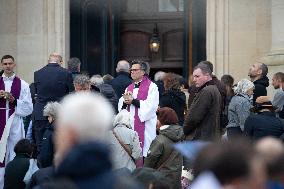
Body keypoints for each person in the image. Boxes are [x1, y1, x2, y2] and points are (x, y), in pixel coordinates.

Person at [0, 55, 33, 188]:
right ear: (2, 65)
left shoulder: (23, 84)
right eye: (5, 64)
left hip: (14, 121)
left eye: (10, 63)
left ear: (14, 65)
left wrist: (13, 100)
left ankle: (13, 184)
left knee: (13, 152)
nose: (8, 66)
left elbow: (29, 108)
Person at [33, 53, 73, 153]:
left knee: (40, 145)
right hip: (59, 114)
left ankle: (42, 167)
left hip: (40, 113)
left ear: (48, 61)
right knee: (59, 146)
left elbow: (37, 92)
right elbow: (71, 93)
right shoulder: (66, 73)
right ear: (60, 62)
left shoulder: (37, 73)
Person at [118, 60, 159, 159]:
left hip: (145, 127)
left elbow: (151, 107)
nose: (132, 72)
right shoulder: (129, 88)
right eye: (131, 70)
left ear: (143, 72)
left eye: (135, 70)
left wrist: (133, 101)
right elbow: (121, 108)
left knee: (145, 155)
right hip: (131, 126)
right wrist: (124, 102)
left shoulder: (152, 87)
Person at [144, 107, 184, 189]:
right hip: (176, 182)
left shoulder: (159, 141)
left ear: (161, 121)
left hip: (161, 183)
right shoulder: (181, 137)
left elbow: (148, 164)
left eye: (157, 119)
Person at [183, 64, 222, 141]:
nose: (194, 79)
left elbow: (194, 118)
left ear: (207, 76)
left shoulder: (206, 91)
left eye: (197, 76)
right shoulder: (214, 89)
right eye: (194, 76)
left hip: (202, 137)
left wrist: (184, 130)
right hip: (210, 136)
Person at [37, 102, 61, 168]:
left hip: (49, 170)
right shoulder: (65, 131)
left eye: (49, 116)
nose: (48, 119)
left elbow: (45, 154)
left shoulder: (49, 131)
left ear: (53, 116)